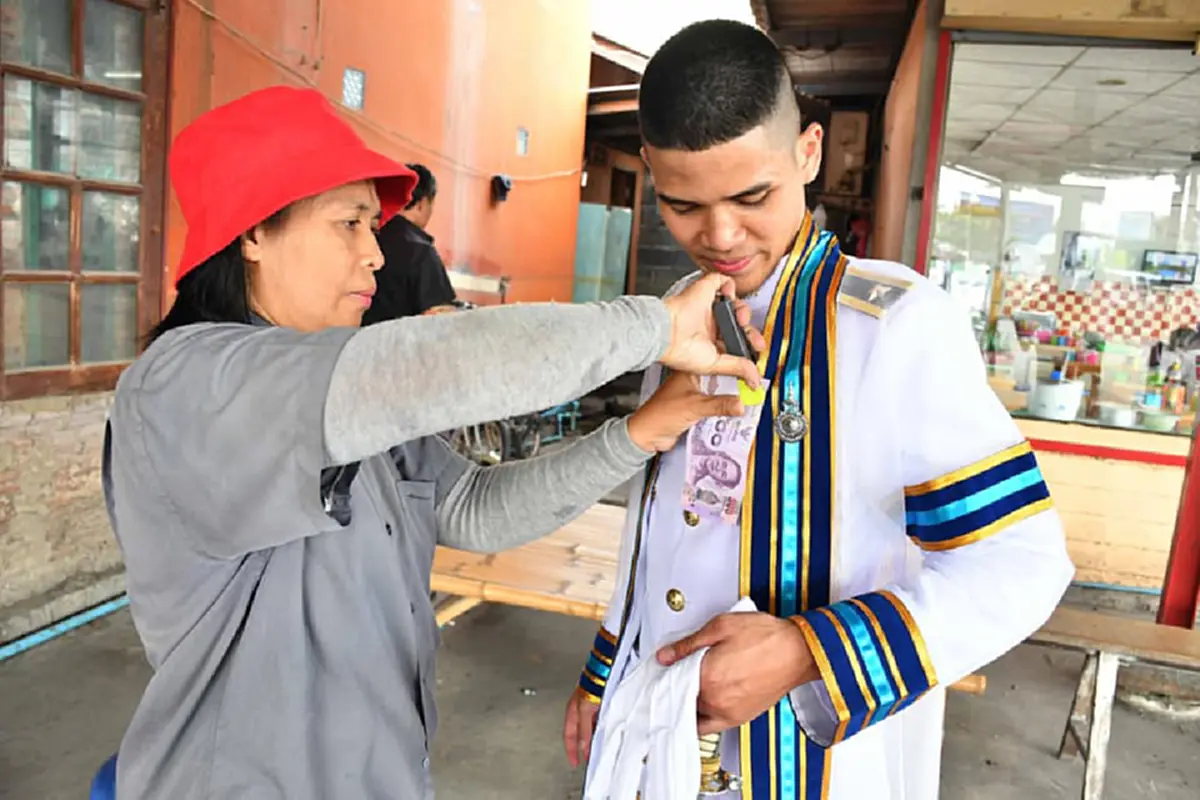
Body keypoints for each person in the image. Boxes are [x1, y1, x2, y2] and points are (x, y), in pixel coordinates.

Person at [100, 84, 768, 800]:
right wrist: (657, 327)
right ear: (254, 233)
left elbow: (471, 507)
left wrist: (638, 431)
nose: (376, 256)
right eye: (350, 224)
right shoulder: (185, 386)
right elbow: (435, 362)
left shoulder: (348, 402)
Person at [563, 20, 1074, 800]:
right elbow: (660, 527)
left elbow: (1021, 565)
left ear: (808, 152)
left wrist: (811, 653)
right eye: (682, 205)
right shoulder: (679, 312)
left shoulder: (894, 323)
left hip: (822, 761)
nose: (720, 235)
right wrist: (606, 672)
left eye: (752, 195)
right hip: (659, 732)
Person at [361, 162, 458, 322]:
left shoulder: (365, 240)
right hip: (400, 345)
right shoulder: (421, 251)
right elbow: (439, 320)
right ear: (422, 203)